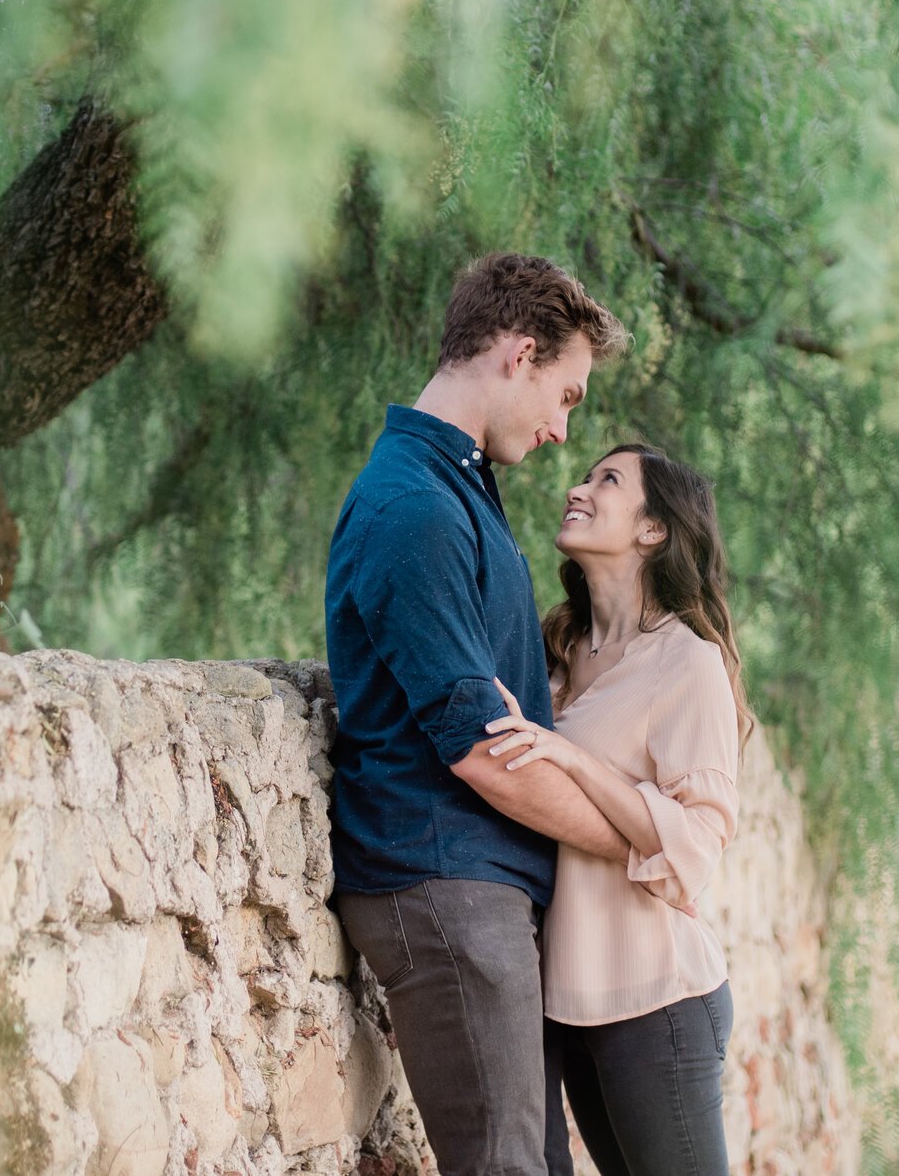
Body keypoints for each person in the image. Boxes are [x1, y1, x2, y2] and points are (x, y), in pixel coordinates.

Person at [325, 252, 632, 1176]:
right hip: (446, 884)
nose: (559, 431)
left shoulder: (457, 489)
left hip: (482, 888)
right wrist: (633, 842)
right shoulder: (414, 505)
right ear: (518, 352)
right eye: (566, 396)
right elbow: (484, 752)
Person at [482, 445, 753, 1176]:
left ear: (654, 529)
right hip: (569, 1005)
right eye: (587, 475)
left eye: (607, 480)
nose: (579, 487)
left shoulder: (685, 662)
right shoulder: (556, 647)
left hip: (658, 1001)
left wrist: (570, 756)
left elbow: (697, 845)